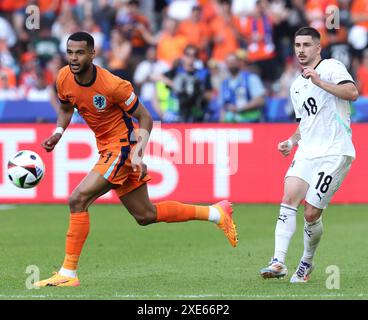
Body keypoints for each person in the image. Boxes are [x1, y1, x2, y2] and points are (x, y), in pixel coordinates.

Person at [34, 32, 238, 287]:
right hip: (107, 148)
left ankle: (68, 273)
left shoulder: (113, 85)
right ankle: (216, 213)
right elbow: (66, 107)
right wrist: (57, 133)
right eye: (70, 52)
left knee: (78, 199)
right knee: (145, 215)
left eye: (80, 52)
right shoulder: (64, 76)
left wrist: (138, 153)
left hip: (121, 148)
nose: (74, 58)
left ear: (92, 54)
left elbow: (145, 118)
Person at [260, 27, 358, 283]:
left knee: (312, 213)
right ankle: (278, 261)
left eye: (306, 45)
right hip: (307, 151)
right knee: (288, 197)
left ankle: (306, 262)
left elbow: (352, 93)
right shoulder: (296, 86)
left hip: (335, 152)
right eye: (297, 45)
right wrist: (291, 142)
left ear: (318, 48)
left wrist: (320, 82)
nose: (301, 50)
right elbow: (305, 123)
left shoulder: (332, 67)